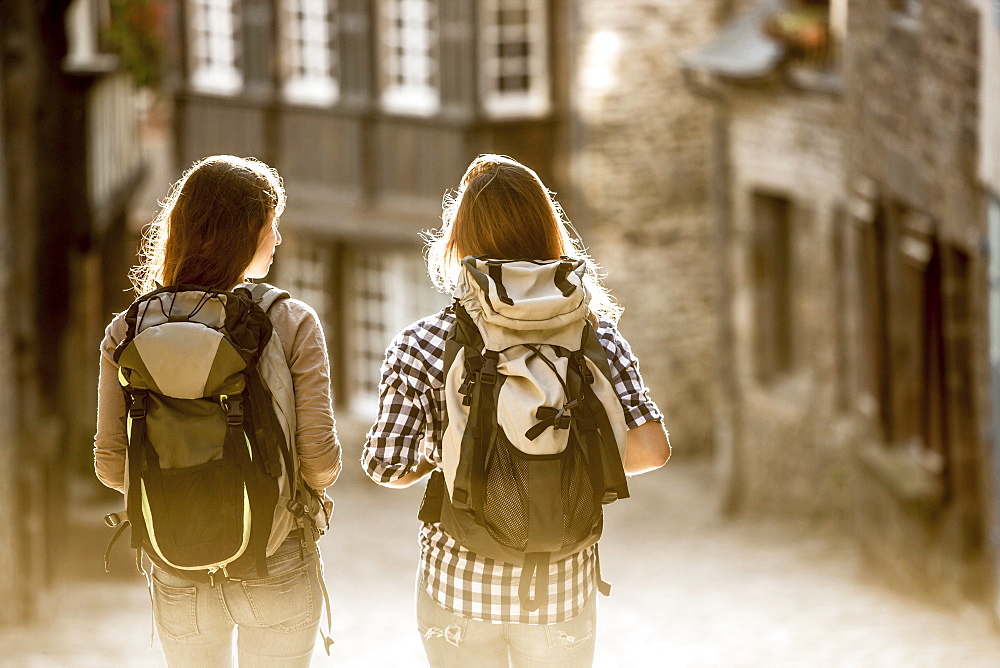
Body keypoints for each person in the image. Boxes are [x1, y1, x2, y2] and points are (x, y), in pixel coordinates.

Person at [362, 154, 670, 667]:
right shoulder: (596, 336)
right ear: (549, 231)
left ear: (458, 243)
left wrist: (458, 447)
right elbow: (651, 450)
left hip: (457, 585)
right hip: (560, 588)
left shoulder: (424, 342)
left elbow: (386, 466)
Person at [94, 155, 341, 667]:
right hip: (276, 560)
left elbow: (111, 466)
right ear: (248, 233)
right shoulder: (290, 322)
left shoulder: (127, 331)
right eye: (271, 226)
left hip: (175, 561)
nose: (277, 240)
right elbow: (320, 462)